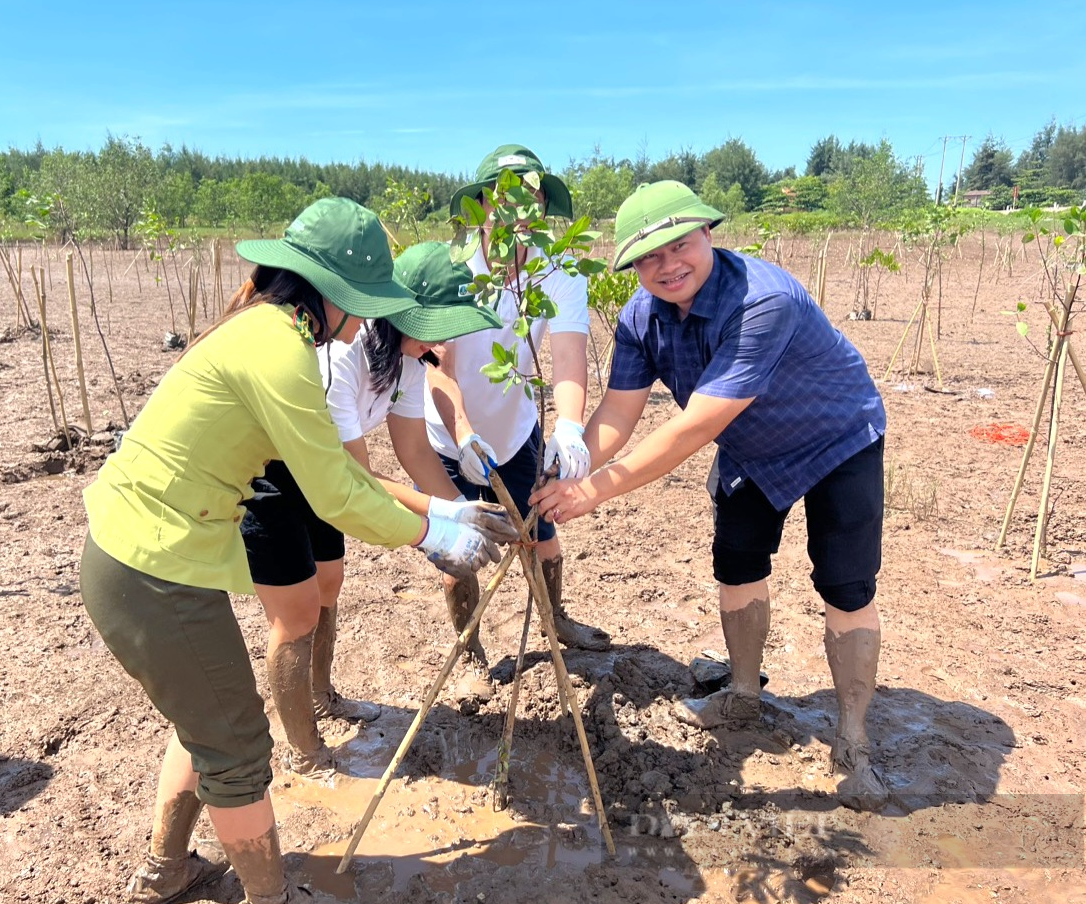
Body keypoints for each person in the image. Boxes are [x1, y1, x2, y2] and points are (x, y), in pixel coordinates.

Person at [79, 198, 505, 904]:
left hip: (144, 554)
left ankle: (165, 869)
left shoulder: (267, 330)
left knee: (204, 719)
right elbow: (336, 490)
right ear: (334, 295)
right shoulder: (282, 349)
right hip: (152, 570)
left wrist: (446, 511)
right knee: (238, 743)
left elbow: (365, 472)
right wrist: (433, 534)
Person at [531, 181, 890, 811]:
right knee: (737, 563)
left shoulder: (763, 299)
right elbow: (619, 408)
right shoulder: (641, 318)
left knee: (845, 584)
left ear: (708, 235)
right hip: (752, 450)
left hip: (835, 438)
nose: (667, 266)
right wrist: (570, 462)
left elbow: (695, 426)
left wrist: (590, 493)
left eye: (680, 246)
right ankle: (743, 692)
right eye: (647, 258)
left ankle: (853, 737)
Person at [240, 240, 519, 770]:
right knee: (294, 615)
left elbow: (414, 451)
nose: (449, 338)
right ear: (406, 313)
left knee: (329, 586)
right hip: (272, 477)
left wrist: (462, 505)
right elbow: (356, 478)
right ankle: (305, 752)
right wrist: (441, 520)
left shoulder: (408, 363)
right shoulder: (344, 355)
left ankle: (323, 697)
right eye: (441, 324)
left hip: (324, 477)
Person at [425, 144, 611, 685]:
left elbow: (570, 355)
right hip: (449, 433)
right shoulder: (456, 269)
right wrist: (463, 435)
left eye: (529, 200)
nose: (518, 214)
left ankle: (555, 620)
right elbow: (439, 370)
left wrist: (570, 426)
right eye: (504, 200)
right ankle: (470, 645)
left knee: (540, 530)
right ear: (481, 208)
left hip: (517, 425)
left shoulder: (561, 266)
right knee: (461, 545)